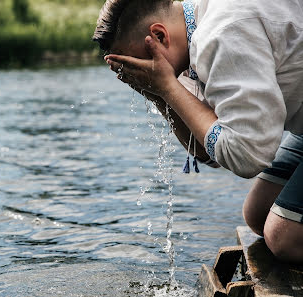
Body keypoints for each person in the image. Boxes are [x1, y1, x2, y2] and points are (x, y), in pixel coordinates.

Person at [92, 0, 303, 263]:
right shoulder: (195, 25)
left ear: (159, 35)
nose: (141, 72)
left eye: (138, 63)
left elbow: (247, 155)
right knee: (258, 213)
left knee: (284, 237)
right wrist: (159, 94)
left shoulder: (220, 34)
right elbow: (207, 150)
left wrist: (167, 86)